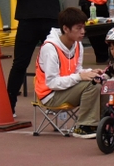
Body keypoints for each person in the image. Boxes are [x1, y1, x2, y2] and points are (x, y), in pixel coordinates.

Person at [6, 0, 66, 116]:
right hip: (27, 19)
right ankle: (9, 104)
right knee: (20, 63)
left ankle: (58, 104)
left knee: (56, 62)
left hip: (51, 19)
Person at [33, 7, 105, 138]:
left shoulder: (78, 45)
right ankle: (83, 127)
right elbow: (52, 83)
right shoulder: (50, 48)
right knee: (92, 85)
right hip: (50, 95)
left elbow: (76, 71)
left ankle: (104, 123)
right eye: (78, 28)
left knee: (102, 80)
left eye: (84, 27)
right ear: (66, 29)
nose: (83, 32)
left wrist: (90, 72)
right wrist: (80, 76)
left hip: (67, 89)